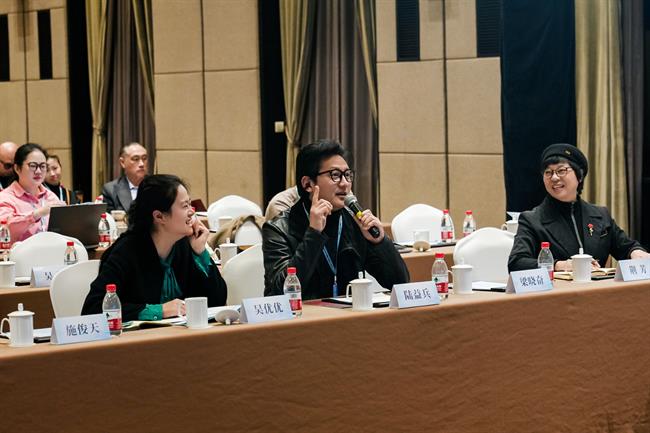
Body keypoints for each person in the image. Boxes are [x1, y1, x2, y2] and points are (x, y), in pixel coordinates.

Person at [263, 139, 409, 300]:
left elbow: (400, 283)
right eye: (335, 175)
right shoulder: (279, 228)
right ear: (307, 184)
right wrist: (313, 234)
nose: (345, 184)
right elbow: (280, 292)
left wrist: (380, 242)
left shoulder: (354, 223)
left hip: (347, 314)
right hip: (302, 315)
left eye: (347, 175)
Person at [82, 174, 227, 322]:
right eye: (185, 206)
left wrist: (200, 253)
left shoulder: (185, 245)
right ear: (159, 216)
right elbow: (93, 309)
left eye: (190, 204)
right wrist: (159, 310)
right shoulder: (126, 252)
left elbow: (217, 301)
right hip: (138, 336)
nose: (192, 212)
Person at [508, 143, 649, 272]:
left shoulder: (600, 215)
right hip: (558, 290)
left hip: (599, 289)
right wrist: (559, 265)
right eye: (548, 172)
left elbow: (626, 247)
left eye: (561, 170)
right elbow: (517, 262)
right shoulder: (532, 220)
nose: (554, 178)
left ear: (579, 176)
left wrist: (636, 252)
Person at [0, 143, 64, 241]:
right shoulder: (5, 197)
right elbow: (6, 228)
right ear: (17, 168)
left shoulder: (50, 196)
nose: (38, 171)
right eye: (33, 166)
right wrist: (37, 214)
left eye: (42, 166)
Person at [101, 142, 148, 212]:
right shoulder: (110, 190)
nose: (142, 164)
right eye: (136, 159)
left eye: (144, 158)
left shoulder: (158, 186)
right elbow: (109, 217)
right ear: (122, 162)